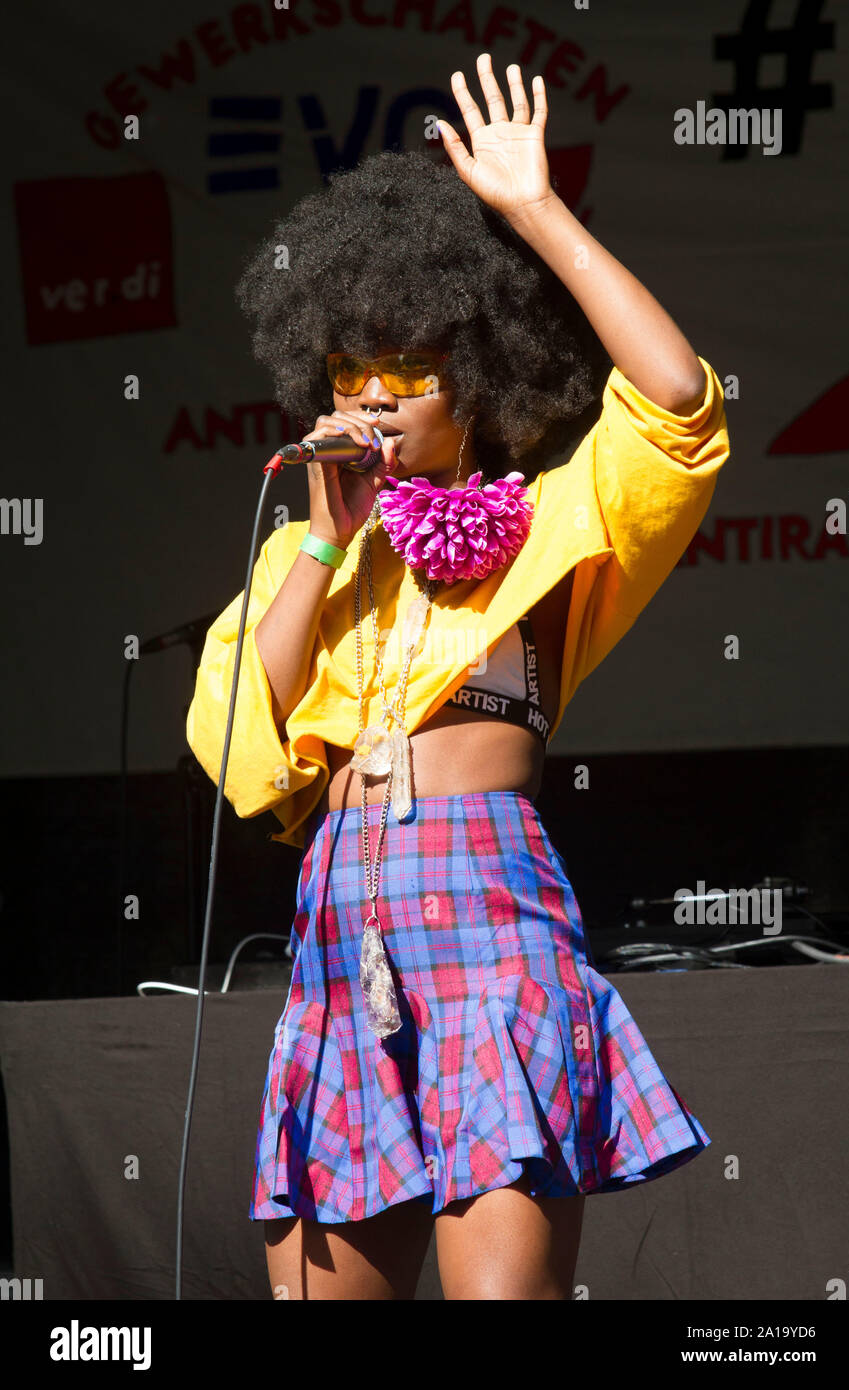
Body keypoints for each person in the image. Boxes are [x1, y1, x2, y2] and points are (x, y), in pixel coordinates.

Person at [186, 53, 730, 1300]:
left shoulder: (550, 527)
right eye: (347, 377)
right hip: (338, 925)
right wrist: (321, 542)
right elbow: (239, 741)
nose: (371, 400)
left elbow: (676, 407)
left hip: (487, 917)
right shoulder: (303, 553)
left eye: (406, 374)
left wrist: (535, 211)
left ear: (474, 386)